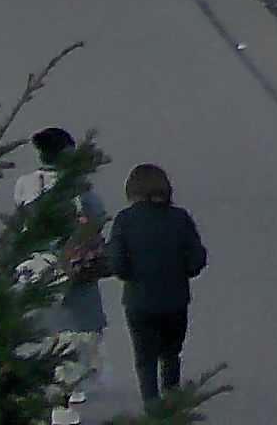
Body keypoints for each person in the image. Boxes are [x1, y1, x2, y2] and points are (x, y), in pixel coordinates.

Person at [12, 128, 109, 414]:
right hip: (75, 263)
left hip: (38, 262)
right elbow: (98, 217)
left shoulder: (25, 184)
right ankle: (73, 380)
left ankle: (52, 374)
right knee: (82, 320)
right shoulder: (78, 187)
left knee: (48, 319)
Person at [109, 161, 210, 402]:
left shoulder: (125, 220)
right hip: (175, 299)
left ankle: (152, 406)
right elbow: (197, 259)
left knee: (145, 359)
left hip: (139, 301)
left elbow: (117, 263)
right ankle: (172, 399)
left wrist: (130, 274)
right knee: (171, 353)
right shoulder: (179, 218)